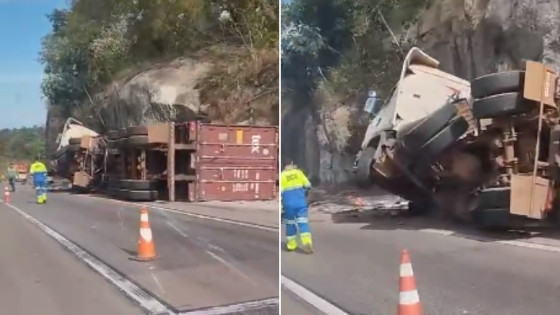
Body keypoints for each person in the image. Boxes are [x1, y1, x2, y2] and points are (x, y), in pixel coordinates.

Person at [280, 160, 313, 253]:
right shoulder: (299, 173)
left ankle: (291, 245)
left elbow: (280, 193)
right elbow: (308, 185)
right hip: (300, 203)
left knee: (290, 224)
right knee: (303, 223)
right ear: (291, 163)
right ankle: (307, 242)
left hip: (288, 205)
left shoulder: (282, 176)